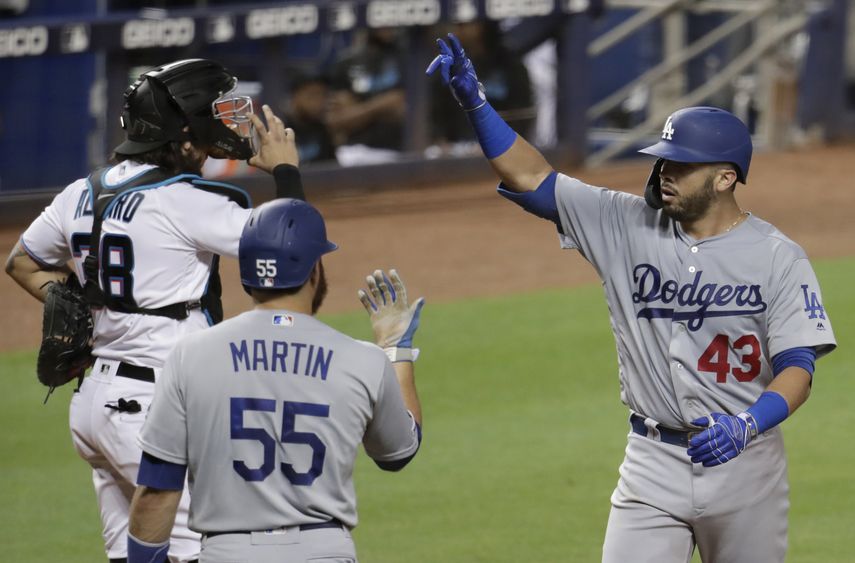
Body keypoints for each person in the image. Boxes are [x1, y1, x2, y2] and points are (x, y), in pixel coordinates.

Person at [427, 34, 837, 562]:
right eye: (664, 161)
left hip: (747, 464)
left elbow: (798, 367)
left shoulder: (779, 256)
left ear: (725, 178)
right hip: (651, 463)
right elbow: (531, 176)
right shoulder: (623, 222)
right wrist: (476, 104)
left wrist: (748, 423)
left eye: (681, 166)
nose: (665, 173)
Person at [5, 58, 304, 562]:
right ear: (185, 135)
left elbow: (22, 264)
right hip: (152, 410)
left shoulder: (82, 192)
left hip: (95, 407)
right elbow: (292, 245)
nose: (229, 121)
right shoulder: (183, 200)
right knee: (206, 549)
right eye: (216, 112)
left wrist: (84, 299)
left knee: (134, 553)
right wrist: (287, 172)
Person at [125, 198, 424, 563]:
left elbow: (157, 491)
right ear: (315, 269)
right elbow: (399, 452)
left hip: (227, 554)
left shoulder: (190, 355)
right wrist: (396, 350)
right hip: (324, 553)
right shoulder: (364, 360)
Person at [430, 21, 534, 148]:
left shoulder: (509, 63)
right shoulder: (448, 63)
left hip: (504, 146)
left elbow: (523, 113)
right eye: (456, 25)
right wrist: (441, 141)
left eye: (464, 25)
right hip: (459, 150)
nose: (458, 31)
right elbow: (437, 114)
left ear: (482, 26)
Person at [327, 27, 407, 164]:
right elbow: (337, 121)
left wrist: (358, 110)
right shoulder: (346, 63)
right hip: (354, 152)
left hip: (400, 150)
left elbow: (404, 110)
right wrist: (385, 104)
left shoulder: (407, 57)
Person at [281, 70, 338, 164]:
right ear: (295, 97)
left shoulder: (323, 131)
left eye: (324, 95)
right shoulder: (280, 131)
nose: (320, 102)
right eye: (313, 95)